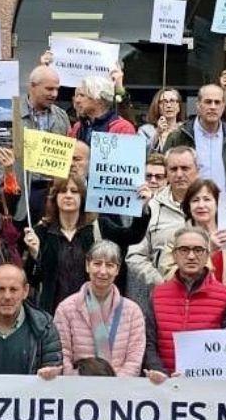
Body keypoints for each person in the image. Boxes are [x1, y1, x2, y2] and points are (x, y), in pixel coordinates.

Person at [26, 174, 145, 312]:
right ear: (55, 197)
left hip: (95, 314)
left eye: (74, 191)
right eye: (63, 191)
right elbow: (32, 280)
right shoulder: (41, 232)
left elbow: (133, 236)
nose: (68, 195)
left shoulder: (99, 226)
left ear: (83, 197)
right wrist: (34, 255)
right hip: (53, 315)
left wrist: (142, 207)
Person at [142, 226, 226, 379]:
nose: (191, 256)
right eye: (183, 250)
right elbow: (149, 342)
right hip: (163, 388)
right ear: (174, 255)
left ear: (207, 254)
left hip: (206, 389)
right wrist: (160, 373)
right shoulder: (157, 295)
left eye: (198, 250)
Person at [52, 240, 146, 376]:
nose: (103, 271)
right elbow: (62, 353)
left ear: (117, 270)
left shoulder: (132, 311)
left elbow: (134, 358)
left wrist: (114, 385)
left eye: (109, 265)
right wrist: (77, 380)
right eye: (97, 264)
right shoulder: (66, 308)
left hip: (119, 390)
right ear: (87, 265)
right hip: (78, 386)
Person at [126, 147, 199, 288]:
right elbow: (134, 256)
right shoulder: (149, 208)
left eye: (185, 168)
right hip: (162, 294)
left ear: (197, 170)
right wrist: (162, 282)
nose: (179, 174)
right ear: (167, 174)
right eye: (173, 169)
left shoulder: (209, 207)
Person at [0, 264, 63, 377]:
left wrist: (50, 375)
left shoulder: (44, 329)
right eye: (0, 289)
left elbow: (53, 367)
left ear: (25, 291)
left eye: (13, 289)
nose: (7, 296)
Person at [18, 63, 72, 224]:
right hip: (22, 190)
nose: (54, 94)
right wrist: (1, 186)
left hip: (51, 191)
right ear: (32, 87)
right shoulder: (13, 114)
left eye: (57, 89)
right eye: (49, 89)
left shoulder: (61, 117)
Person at [69, 75, 137, 145]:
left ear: (99, 99)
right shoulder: (77, 127)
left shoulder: (123, 128)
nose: (77, 100)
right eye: (76, 96)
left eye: (82, 95)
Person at [138, 87, 183, 152]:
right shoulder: (145, 131)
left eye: (172, 101)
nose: (169, 105)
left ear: (179, 107)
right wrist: (157, 133)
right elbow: (141, 155)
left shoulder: (186, 131)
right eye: (164, 101)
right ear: (157, 106)